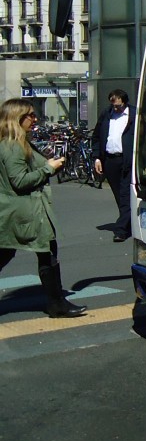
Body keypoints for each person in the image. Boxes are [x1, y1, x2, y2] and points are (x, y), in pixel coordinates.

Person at [0, 99, 86, 318]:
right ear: (17, 118)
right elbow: (19, 181)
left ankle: (57, 303)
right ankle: (57, 304)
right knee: (41, 254)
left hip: (26, 210)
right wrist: (48, 168)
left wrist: (51, 167)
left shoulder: (20, 142)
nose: (35, 118)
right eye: (30, 115)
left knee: (45, 253)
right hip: (23, 211)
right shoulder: (12, 146)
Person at [91, 88, 135, 243]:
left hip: (128, 160)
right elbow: (96, 137)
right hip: (110, 160)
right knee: (118, 194)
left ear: (124, 101)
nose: (115, 108)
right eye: (113, 105)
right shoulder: (106, 114)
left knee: (125, 194)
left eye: (118, 105)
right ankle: (128, 223)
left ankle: (121, 230)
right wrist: (97, 158)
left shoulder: (134, 115)